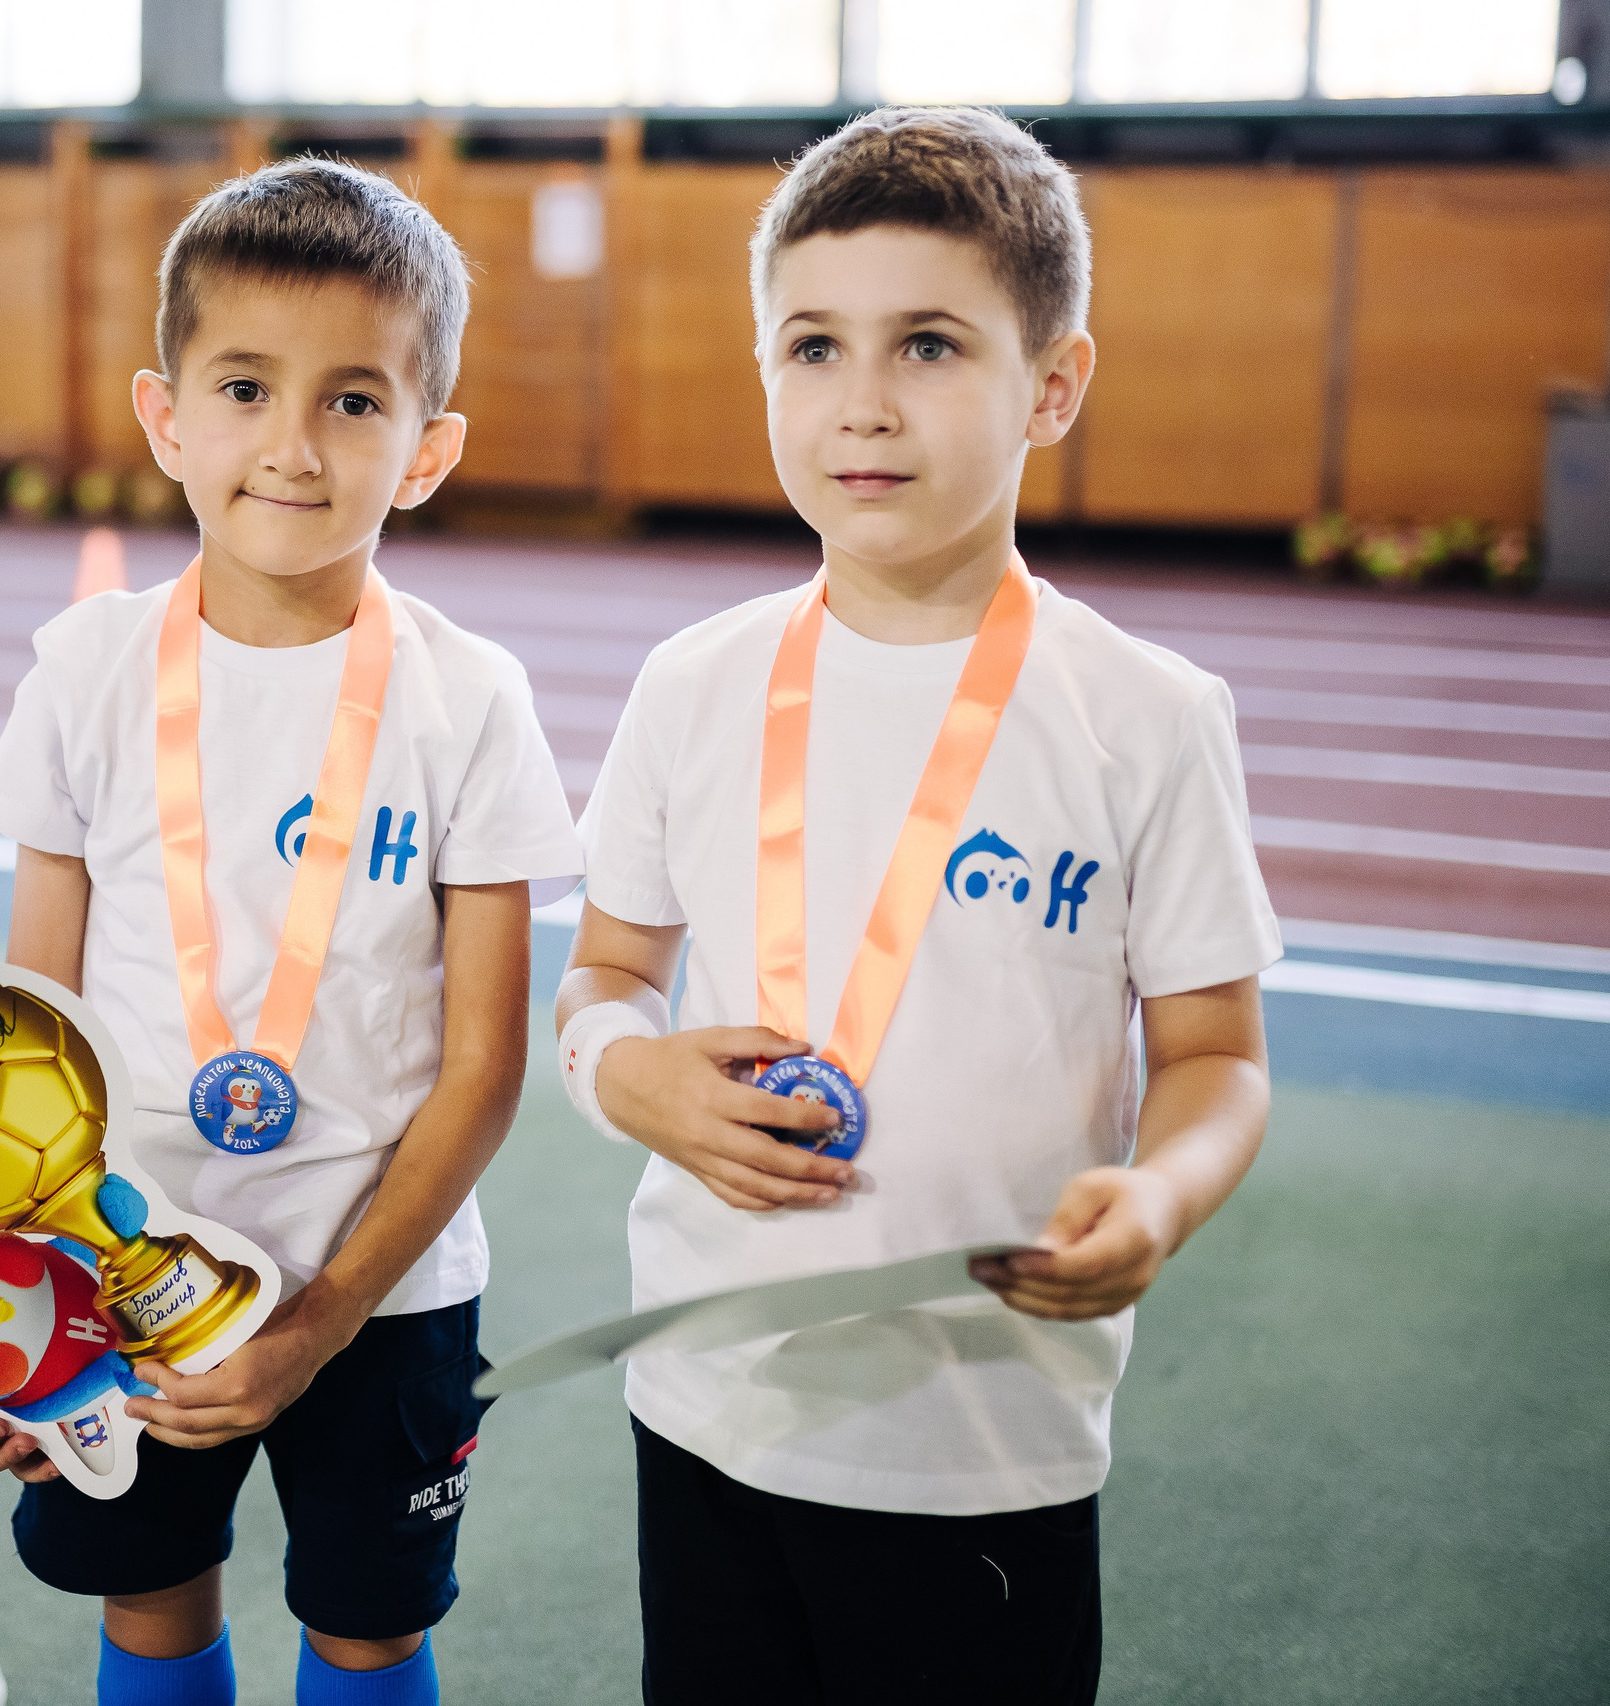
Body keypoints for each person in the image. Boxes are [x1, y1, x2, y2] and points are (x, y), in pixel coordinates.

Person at [555, 108, 1278, 1705]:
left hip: (984, 1440)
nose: (862, 403)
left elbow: (1218, 1055)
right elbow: (606, 972)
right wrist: (623, 1074)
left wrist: (1161, 1197)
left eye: (930, 345)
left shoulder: (1148, 716)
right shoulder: (693, 684)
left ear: (1053, 385)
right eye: (813, 346)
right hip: (707, 1397)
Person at [0, 159, 584, 1706]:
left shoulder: (468, 701)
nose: (294, 445)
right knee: (151, 1602)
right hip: (118, 1267)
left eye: (354, 401)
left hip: (386, 1289)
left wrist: (317, 1319)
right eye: (245, 388)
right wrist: (20, 1291)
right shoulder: (86, 673)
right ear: (168, 416)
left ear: (427, 451)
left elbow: (484, 1068)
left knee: (370, 1625)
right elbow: (26, 1037)